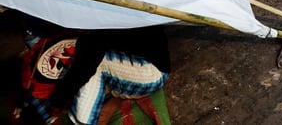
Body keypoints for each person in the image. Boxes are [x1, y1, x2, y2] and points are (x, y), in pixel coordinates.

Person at [20, 20, 170, 125]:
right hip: (121, 67)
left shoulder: (104, 13)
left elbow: (91, 55)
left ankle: (89, 120)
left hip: (150, 71)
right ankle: (111, 101)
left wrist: (60, 98)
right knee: (85, 66)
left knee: (91, 64)